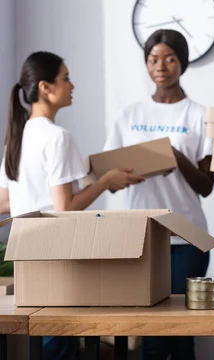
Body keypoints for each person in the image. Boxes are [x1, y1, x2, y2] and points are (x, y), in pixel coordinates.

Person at [0, 51, 143, 360]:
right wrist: (105, 182)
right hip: (57, 254)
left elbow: (7, 199)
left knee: (45, 342)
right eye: (65, 78)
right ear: (45, 87)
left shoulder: (17, 136)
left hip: (25, 254)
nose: (72, 85)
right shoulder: (57, 137)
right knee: (61, 344)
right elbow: (64, 208)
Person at [104, 29, 214, 360]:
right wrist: (138, 168)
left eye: (169, 58)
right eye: (153, 59)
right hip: (140, 237)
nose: (161, 66)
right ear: (146, 63)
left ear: (182, 62)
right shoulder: (129, 115)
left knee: (181, 333)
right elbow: (108, 179)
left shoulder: (200, 115)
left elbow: (207, 186)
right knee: (150, 334)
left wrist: (177, 158)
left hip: (186, 239)